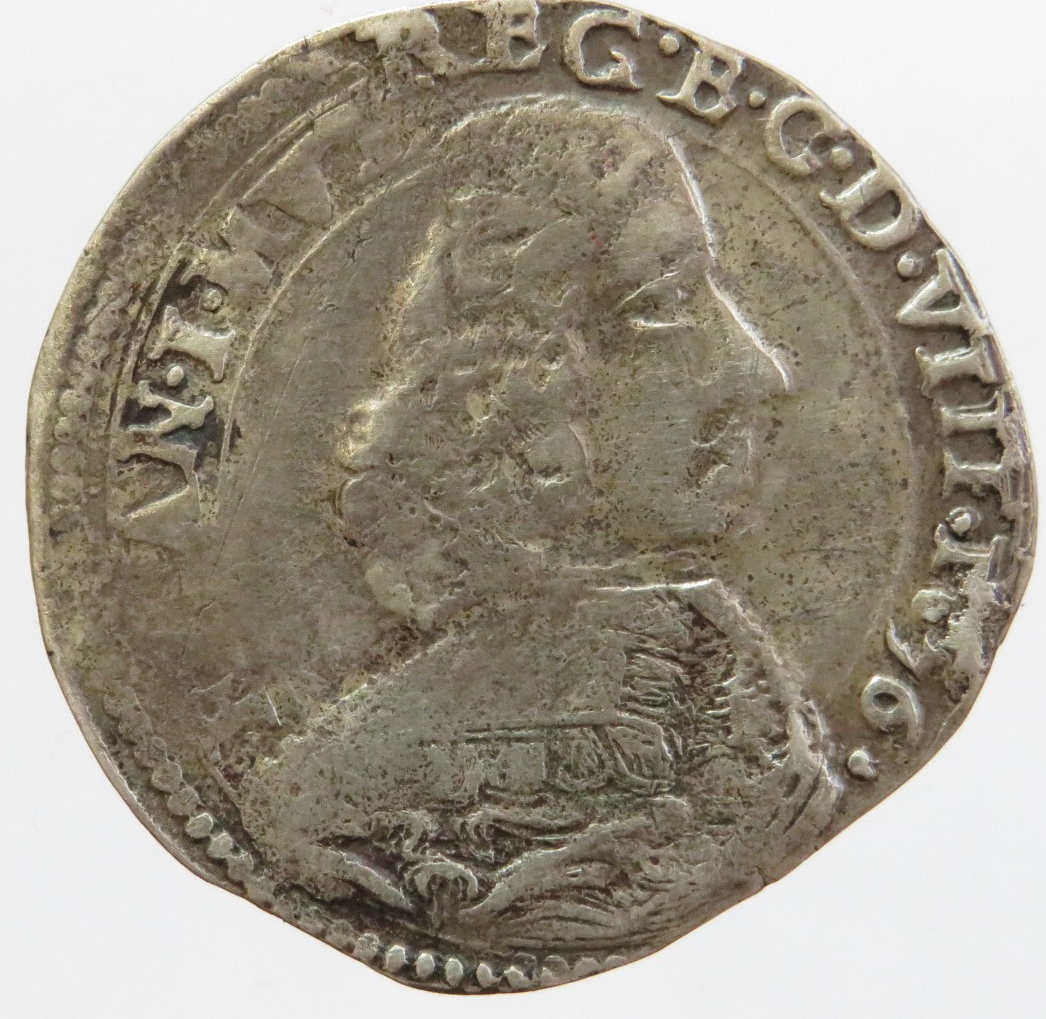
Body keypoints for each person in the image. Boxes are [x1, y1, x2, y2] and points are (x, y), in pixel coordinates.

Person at [238, 97, 839, 954]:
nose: (759, 368)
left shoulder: (732, 692)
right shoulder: (344, 799)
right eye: (667, 302)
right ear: (513, 387)